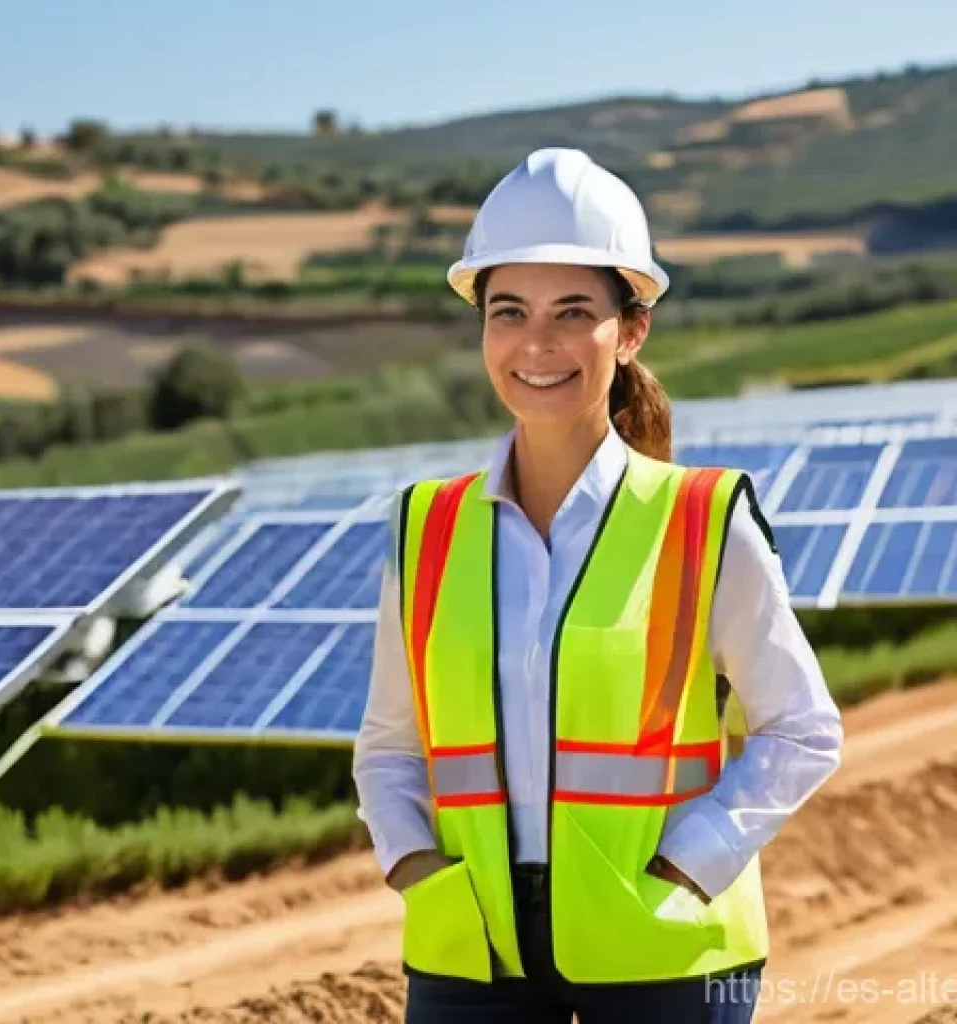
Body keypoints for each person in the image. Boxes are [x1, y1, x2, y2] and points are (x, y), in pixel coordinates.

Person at [352, 147, 844, 1023]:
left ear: (631, 329)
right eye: (509, 313)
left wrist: (691, 862)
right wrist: (414, 866)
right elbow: (390, 744)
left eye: (572, 312)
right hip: (472, 951)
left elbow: (802, 728)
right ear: (482, 329)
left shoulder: (701, 518)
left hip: (668, 949)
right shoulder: (423, 529)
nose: (536, 344)